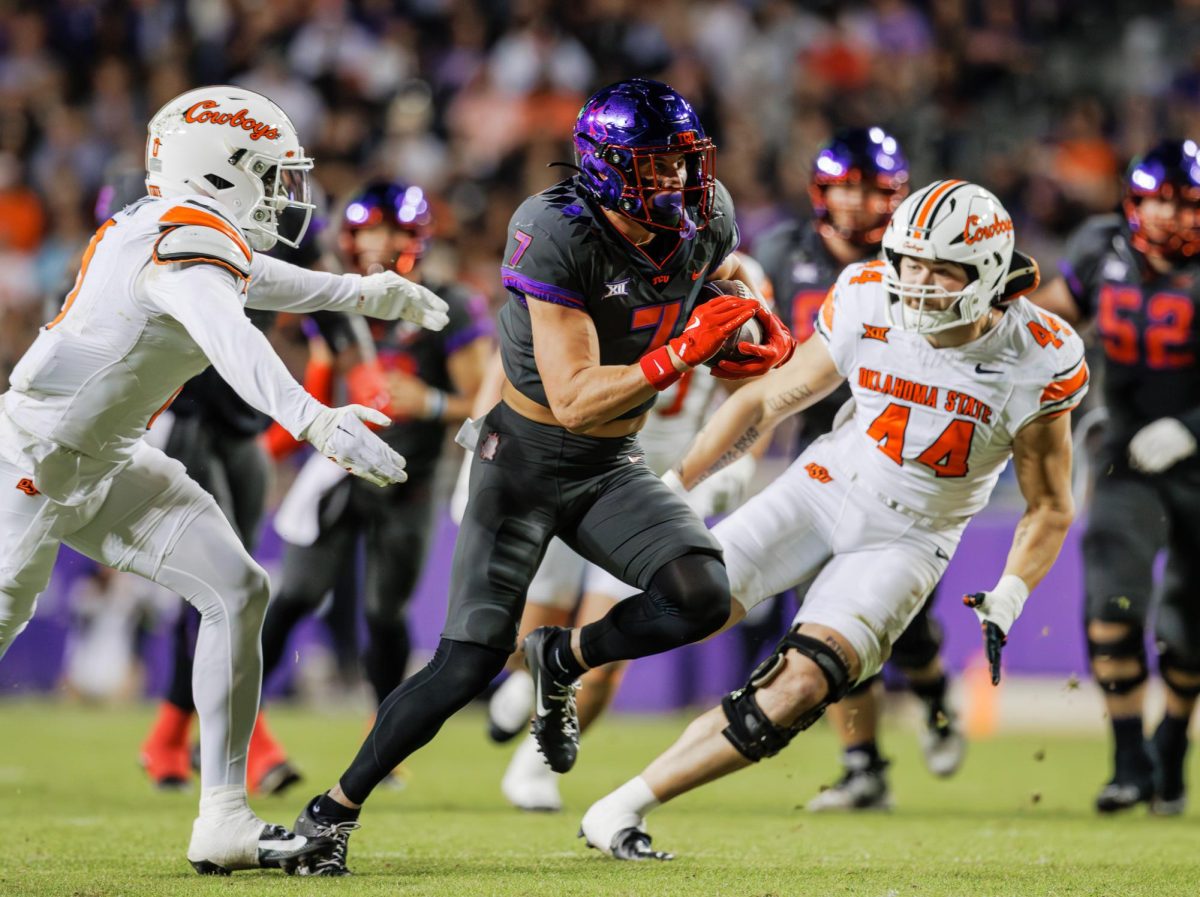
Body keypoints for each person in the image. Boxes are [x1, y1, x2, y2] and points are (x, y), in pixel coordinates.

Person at [288, 77, 794, 875]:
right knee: (469, 659)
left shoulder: (710, 213)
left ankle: (563, 657)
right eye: (658, 167)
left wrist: (742, 319)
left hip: (609, 464)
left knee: (701, 594)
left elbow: (716, 289)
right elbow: (577, 396)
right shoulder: (553, 227)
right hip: (525, 458)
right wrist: (689, 346)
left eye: (684, 163)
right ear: (609, 168)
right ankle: (329, 812)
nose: (679, 183)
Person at [0, 85, 449, 875]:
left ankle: (224, 819)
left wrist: (359, 292)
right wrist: (314, 418)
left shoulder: (176, 228)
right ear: (221, 170)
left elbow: (252, 282)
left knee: (238, 589)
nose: (283, 193)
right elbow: (228, 331)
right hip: (29, 465)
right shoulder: (185, 246)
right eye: (271, 174)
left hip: (102, 457)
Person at [579, 180, 1086, 860]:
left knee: (801, 684)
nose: (920, 282)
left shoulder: (1039, 356)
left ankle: (622, 807)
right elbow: (765, 401)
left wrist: (1013, 590)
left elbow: (1050, 503)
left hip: (910, 537)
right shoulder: (868, 294)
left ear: (989, 271)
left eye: (942, 268)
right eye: (911, 260)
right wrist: (677, 485)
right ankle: (555, 664)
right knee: (686, 603)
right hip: (824, 486)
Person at [487, 259, 765, 812]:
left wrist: (727, 468)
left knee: (607, 644)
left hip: (657, 479)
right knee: (525, 628)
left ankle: (534, 764)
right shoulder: (588, 261)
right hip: (575, 455)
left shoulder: (736, 276)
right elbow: (520, 361)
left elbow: (758, 391)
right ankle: (526, 677)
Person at [755, 127, 964, 811]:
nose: (856, 201)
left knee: (905, 633)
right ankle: (863, 764)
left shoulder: (918, 255)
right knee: (827, 617)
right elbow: (760, 358)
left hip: (906, 460)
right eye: (846, 186)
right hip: (823, 454)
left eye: (871, 188)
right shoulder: (784, 254)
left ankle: (934, 699)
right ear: (822, 191)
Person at [258, 179, 491, 766]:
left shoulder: (449, 304)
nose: (377, 243)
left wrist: (430, 402)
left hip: (409, 481)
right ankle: (242, 715)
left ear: (415, 237)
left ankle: (381, 742)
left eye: (389, 230)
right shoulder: (338, 299)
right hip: (338, 471)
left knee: (385, 612)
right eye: (366, 231)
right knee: (298, 593)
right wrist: (278, 444)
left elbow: (485, 402)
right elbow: (317, 377)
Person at [1033, 139, 1200, 816]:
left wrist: (1194, 425)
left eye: (1184, 203)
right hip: (1126, 451)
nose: (1169, 215)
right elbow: (1046, 319)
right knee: (1111, 599)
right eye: (1158, 200)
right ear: (1132, 203)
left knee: (1189, 629)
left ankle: (1174, 738)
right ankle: (1128, 758)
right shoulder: (1101, 246)